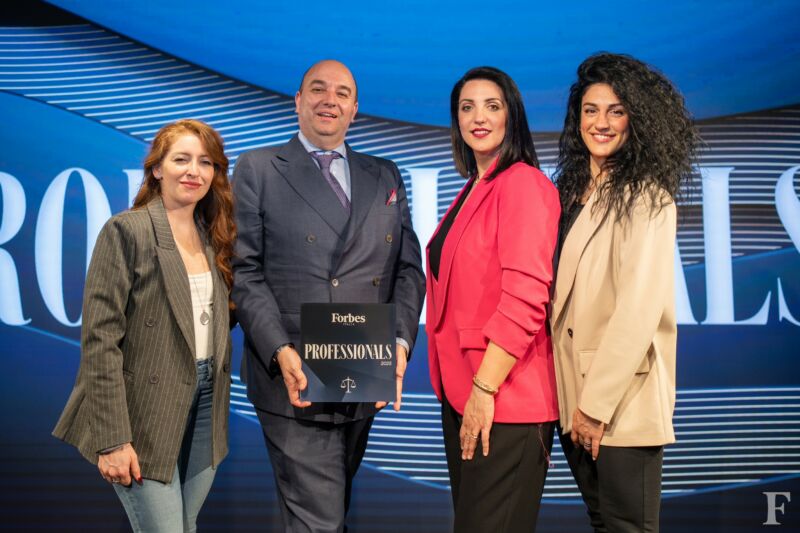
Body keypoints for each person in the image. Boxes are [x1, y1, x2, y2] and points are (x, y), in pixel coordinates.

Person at [231, 59, 425, 532]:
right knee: (319, 519)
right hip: (293, 375)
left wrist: (400, 344)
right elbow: (245, 272)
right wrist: (280, 350)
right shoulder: (259, 168)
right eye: (318, 89)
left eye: (342, 93)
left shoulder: (385, 174)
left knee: (325, 511)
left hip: (362, 368)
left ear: (355, 109)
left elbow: (408, 269)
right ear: (298, 101)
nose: (329, 100)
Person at [53, 119, 237, 532]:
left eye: (205, 162)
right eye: (181, 160)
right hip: (143, 412)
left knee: (185, 526)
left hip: (206, 405)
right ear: (156, 168)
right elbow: (100, 342)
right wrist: (113, 439)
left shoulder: (215, 237)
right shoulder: (127, 230)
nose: (194, 171)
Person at [551, 53, 699, 532]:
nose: (601, 122)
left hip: (618, 402)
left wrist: (595, 407)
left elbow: (638, 309)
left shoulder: (648, 197)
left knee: (627, 527)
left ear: (637, 120)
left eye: (616, 111)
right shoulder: (572, 193)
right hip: (573, 398)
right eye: (591, 110)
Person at [425, 66, 560, 533]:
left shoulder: (523, 184)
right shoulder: (474, 188)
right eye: (467, 107)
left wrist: (484, 390)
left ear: (512, 116)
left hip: (504, 397)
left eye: (492, 106)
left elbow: (526, 297)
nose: (478, 117)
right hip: (464, 393)